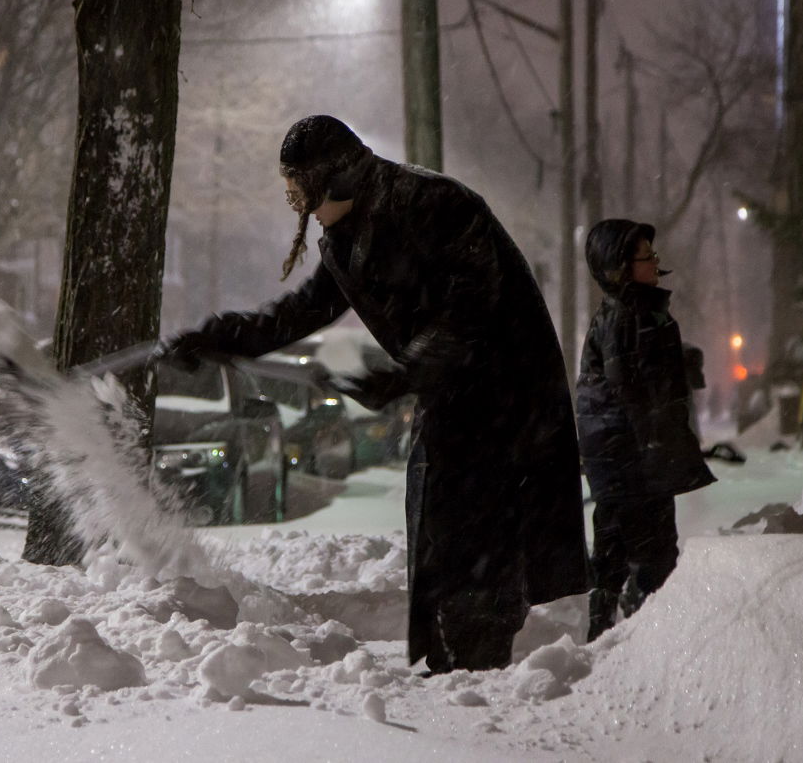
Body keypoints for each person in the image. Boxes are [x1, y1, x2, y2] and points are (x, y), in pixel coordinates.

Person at [156, 115, 589, 673]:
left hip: (507, 402)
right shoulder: (346, 240)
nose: (302, 210)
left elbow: (472, 307)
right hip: (449, 397)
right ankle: (455, 666)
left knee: (479, 539)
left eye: (301, 194)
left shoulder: (434, 204)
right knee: (440, 533)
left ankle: (477, 671)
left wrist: (406, 371)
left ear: (335, 178)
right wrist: (218, 339)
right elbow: (300, 311)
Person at [576, 219, 716, 642]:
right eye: (645, 256)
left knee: (616, 548)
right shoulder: (628, 316)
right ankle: (645, 641)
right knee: (651, 555)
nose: (655, 261)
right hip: (631, 458)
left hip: (623, 457)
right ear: (620, 267)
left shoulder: (632, 311)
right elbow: (630, 389)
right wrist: (656, 446)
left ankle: (607, 635)